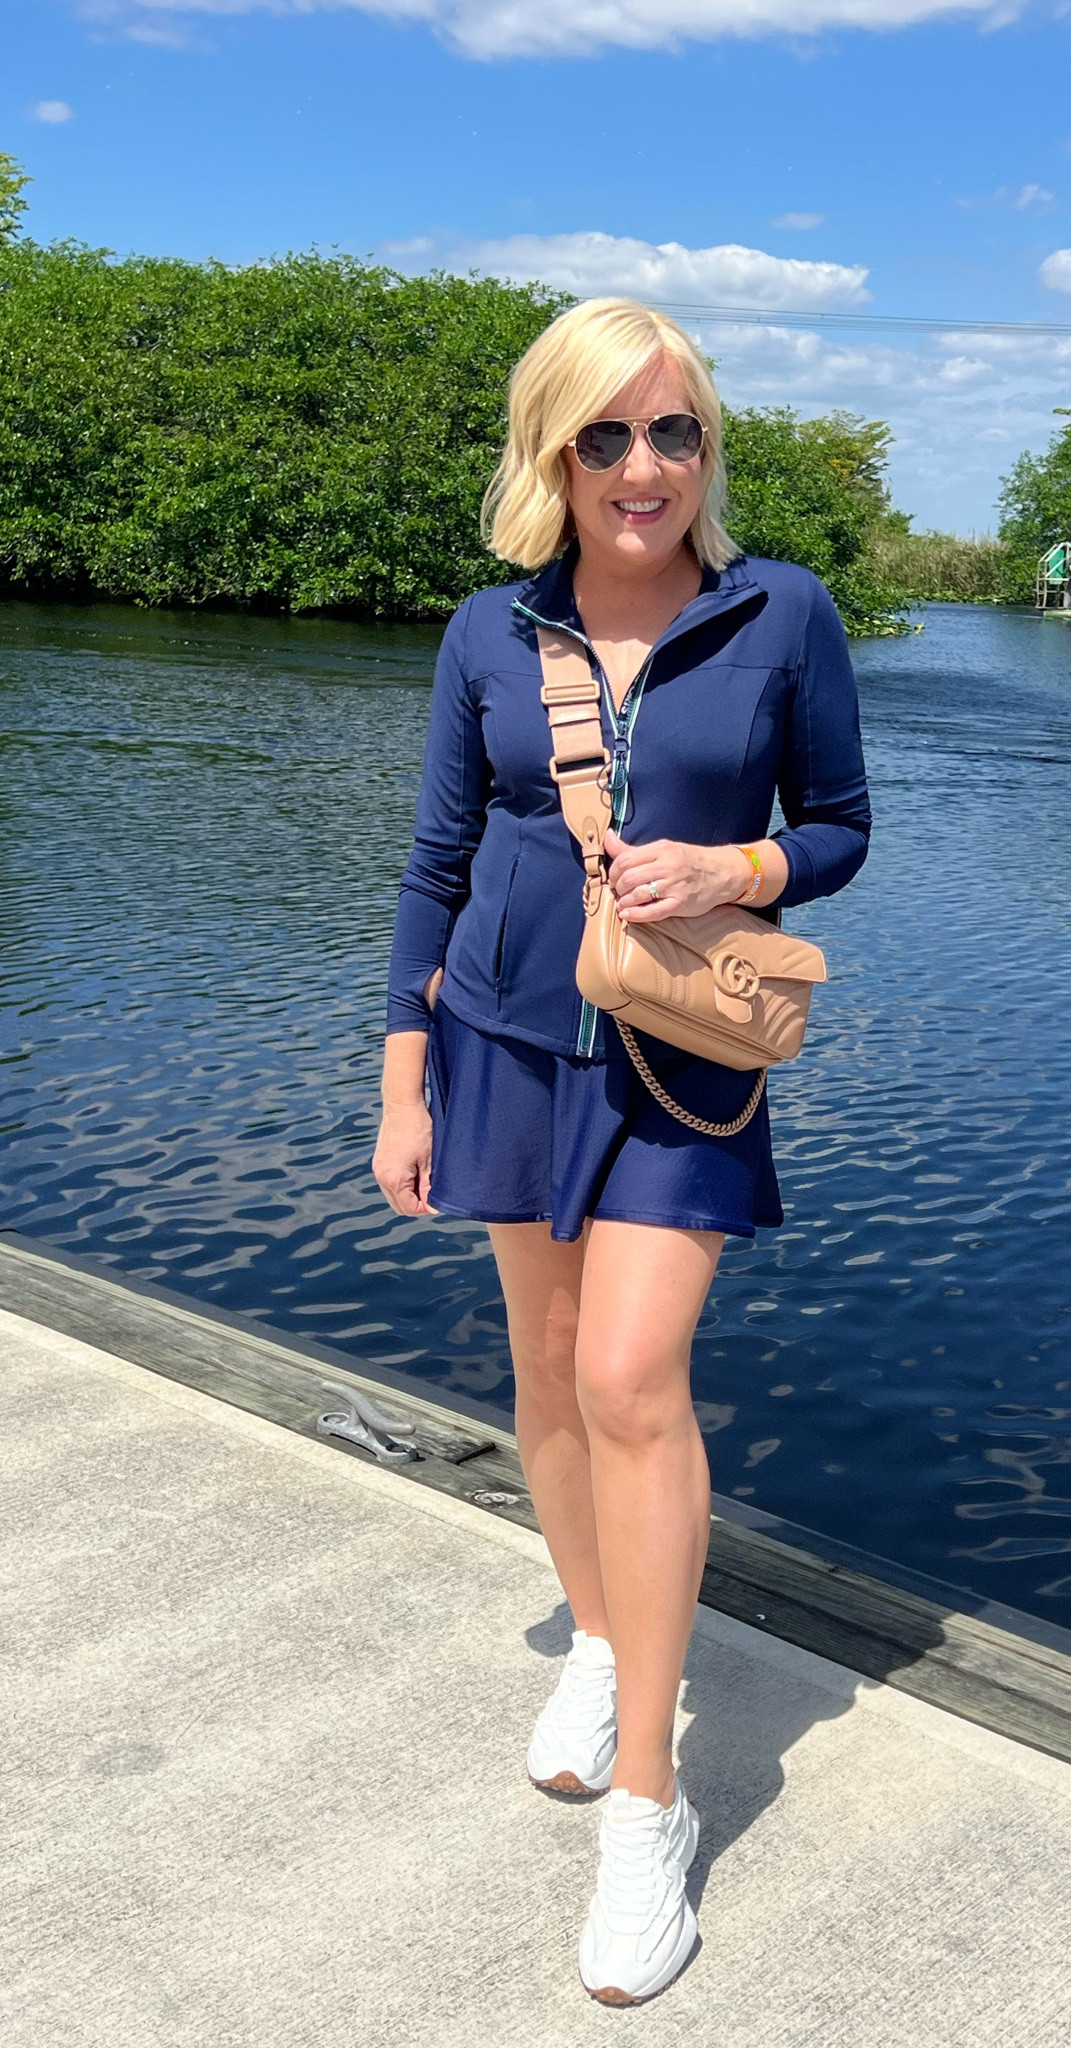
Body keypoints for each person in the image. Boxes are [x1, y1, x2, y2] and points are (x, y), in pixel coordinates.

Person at [372, 298, 870, 2006]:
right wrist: (400, 1077)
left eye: (673, 433)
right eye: (605, 436)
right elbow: (436, 858)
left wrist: (735, 869)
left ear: (705, 449)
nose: (643, 467)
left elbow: (841, 828)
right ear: (553, 454)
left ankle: (646, 1806)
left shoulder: (781, 610)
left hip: (684, 1063)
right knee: (546, 1365)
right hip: (504, 1041)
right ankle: (597, 1635)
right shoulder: (487, 632)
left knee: (633, 1371)